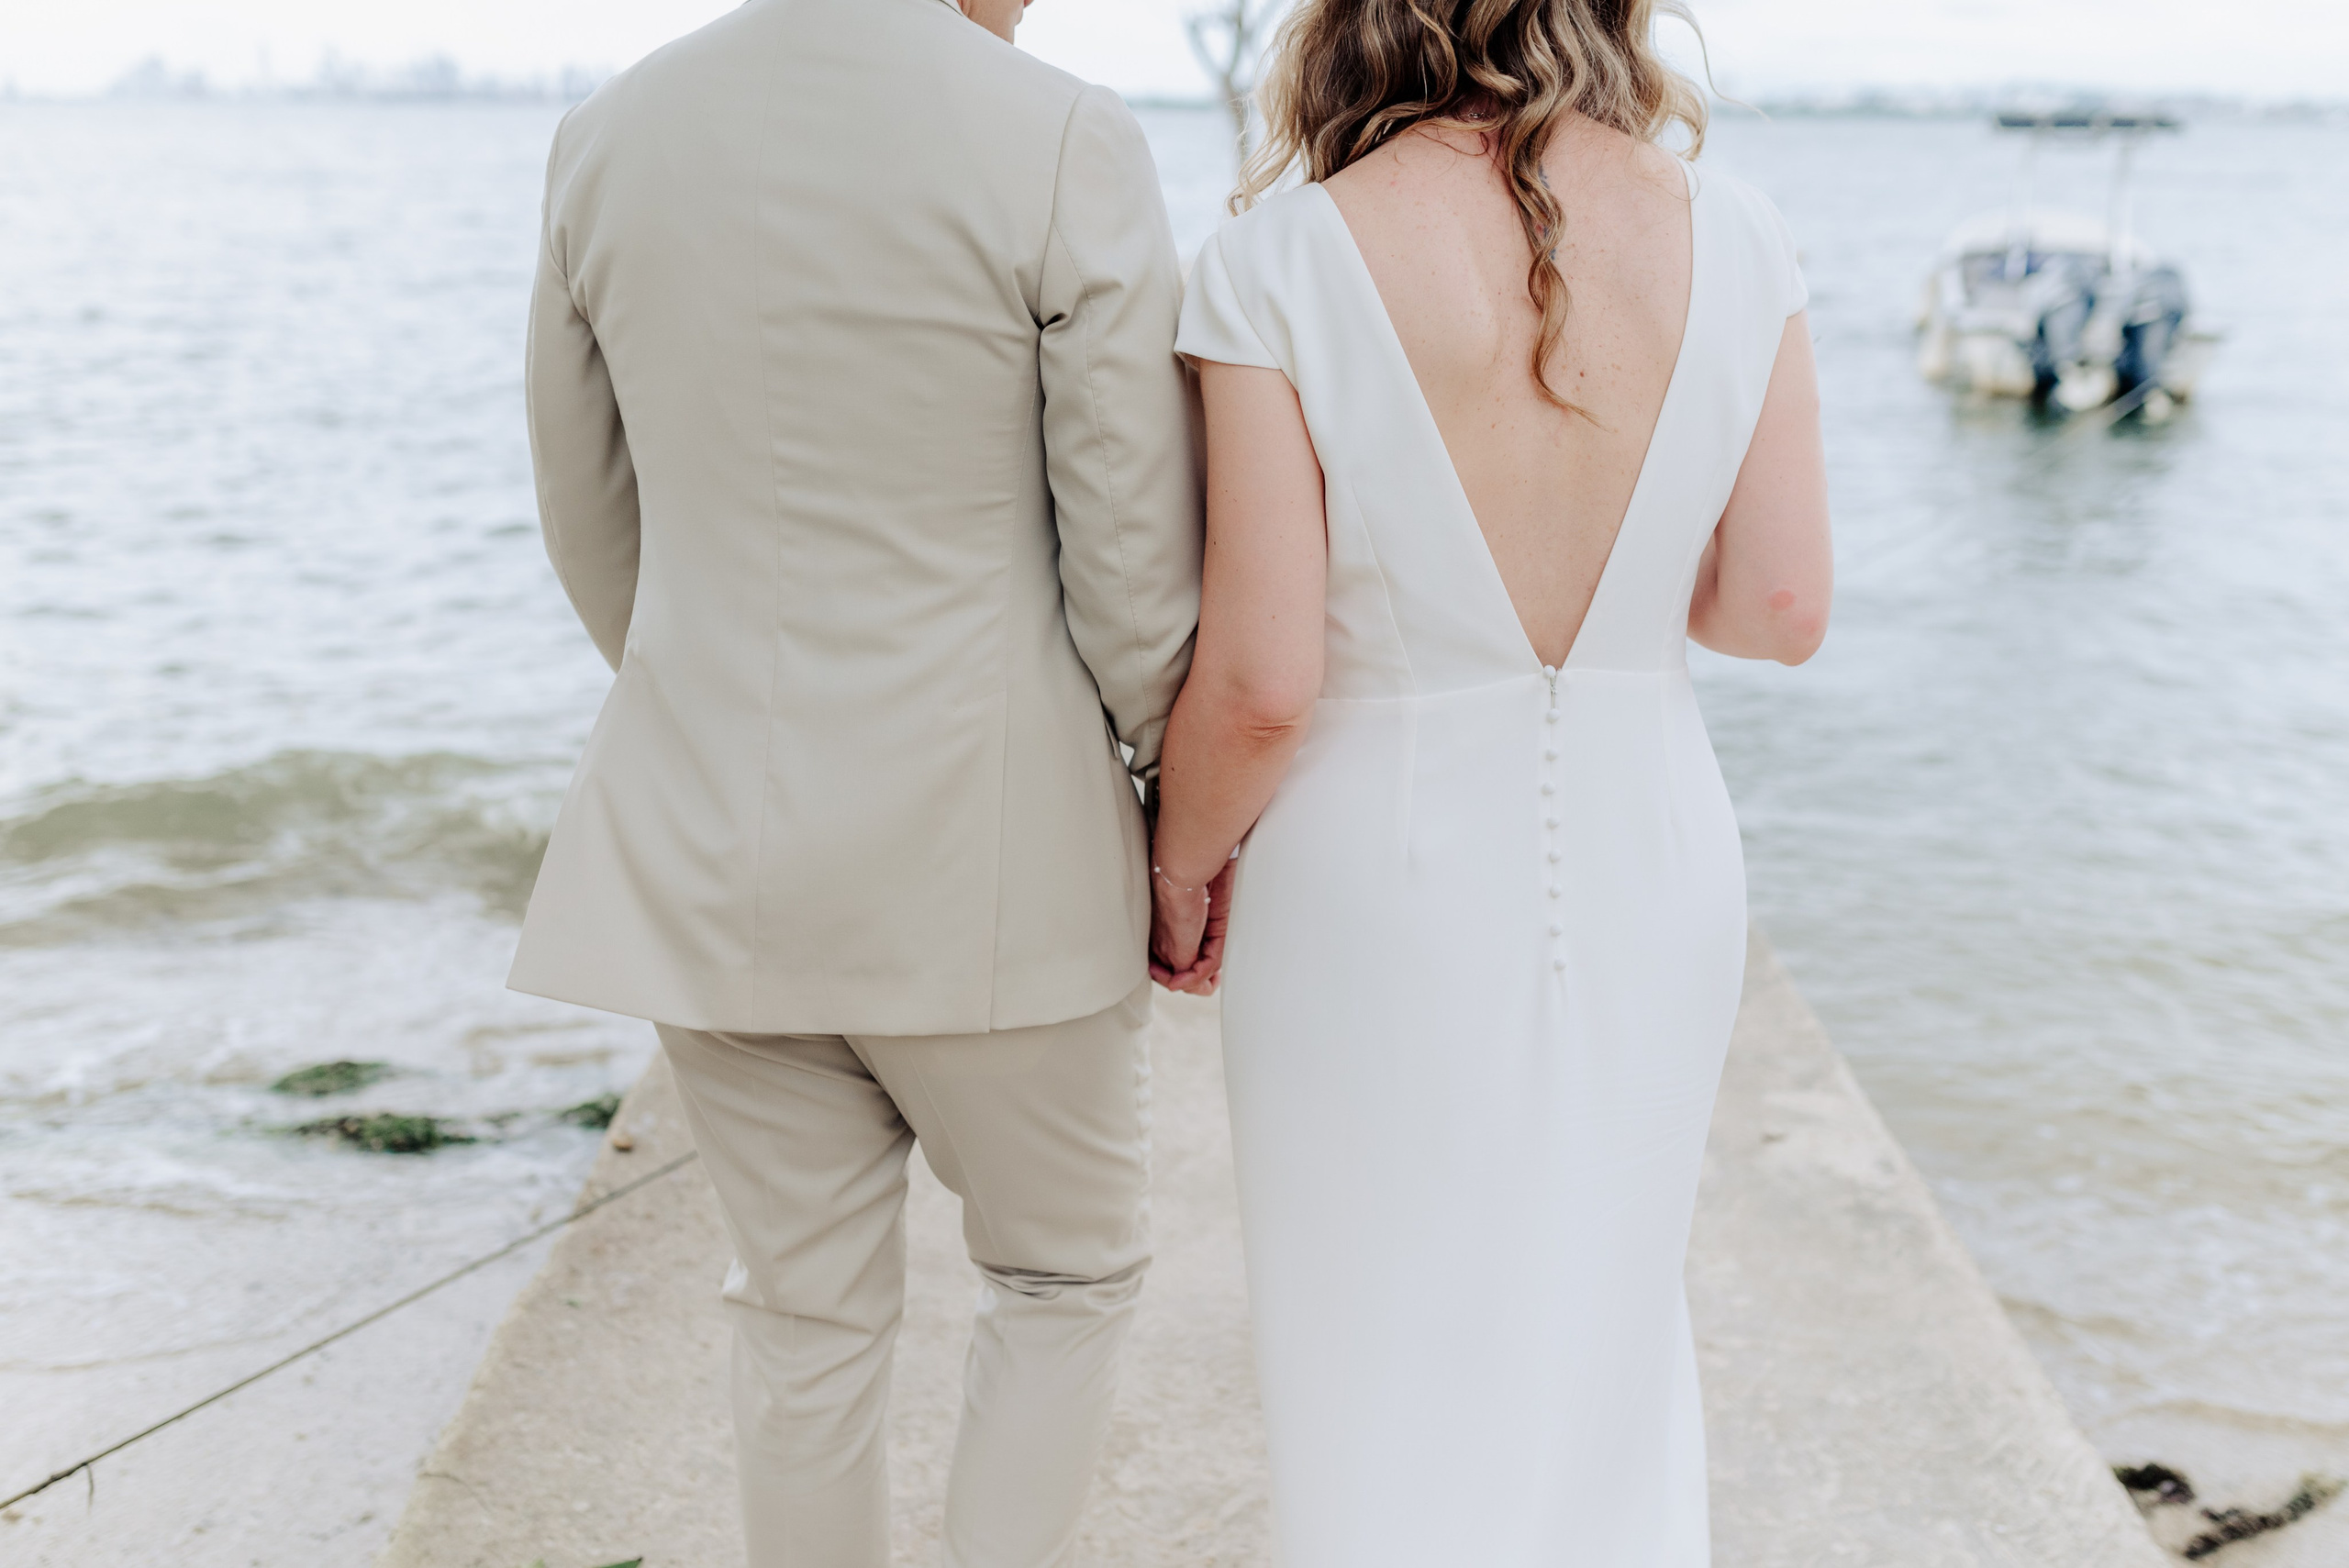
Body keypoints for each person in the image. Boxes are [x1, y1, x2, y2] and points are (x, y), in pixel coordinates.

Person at [506, 0, 1201, 1560]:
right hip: (994, 855)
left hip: (712, 848)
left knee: (799, 1312)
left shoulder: (609, 135)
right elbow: (1136, 564)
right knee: (1062, 1274)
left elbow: (589, 512)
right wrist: (1169, 798)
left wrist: (712, 703)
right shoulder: (1061, 135)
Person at [1146, 0, 1833, 1560]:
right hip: (1651, 837)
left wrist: (1180, 863)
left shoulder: (1277, 259)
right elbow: (1782, 609)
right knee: (1610, 1322)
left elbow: (1261, 681)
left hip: (1370, 873)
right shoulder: (1740, 234)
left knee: (1370, 1331)